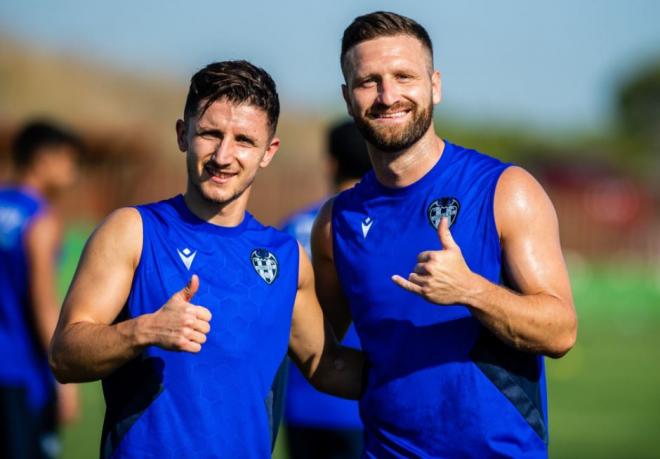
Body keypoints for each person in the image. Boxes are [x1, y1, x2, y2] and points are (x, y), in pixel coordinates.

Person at [49, 60, 366, 459]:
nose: (223, 155)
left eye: (244, 141)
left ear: (269, 151)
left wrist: (434, 372)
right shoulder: (133, 231)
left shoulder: (286, 259)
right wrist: (143, 331)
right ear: (183, 134)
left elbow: (329, 364)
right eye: (210, 133)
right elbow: (64, 354)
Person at [311, 11, 578, 458]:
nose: (388, 95)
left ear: (435, 85)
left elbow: (561, 332)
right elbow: (324, 356)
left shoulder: (504, 191)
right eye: (368, 81)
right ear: (347, 97)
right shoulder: (336, 223)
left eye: (403, 76)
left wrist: (471, 290)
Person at [281, 120, 371, 459]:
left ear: (330, 164)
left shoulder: (295, 226)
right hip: (360, 400)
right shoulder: (381, 227)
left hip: (304, 399)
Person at [0, 120, 81, 459]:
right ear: (44, 159)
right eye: (69, 162)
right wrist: (64, 376)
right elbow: (43, 302)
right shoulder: (41, 220)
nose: (74, 174)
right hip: (19, 373)